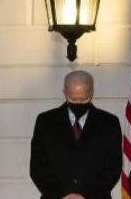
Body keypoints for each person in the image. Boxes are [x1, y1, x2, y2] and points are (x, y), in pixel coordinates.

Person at [30, 70, 122, 199]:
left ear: (92, 92)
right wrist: (61, 196)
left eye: (84, 99)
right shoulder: (45, 122)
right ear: (64, 92)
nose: (78, 103)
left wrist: (87, 196)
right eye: (73, 99)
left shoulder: (109, 123)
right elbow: (37, 167)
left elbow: (113, 168)